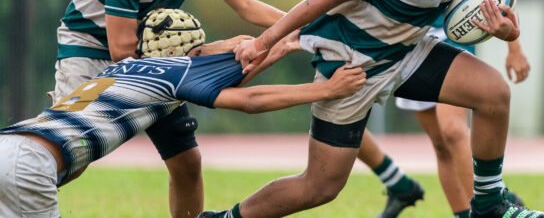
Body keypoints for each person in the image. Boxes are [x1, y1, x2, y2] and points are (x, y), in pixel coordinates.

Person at [205, 0, 544, 217]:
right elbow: (319, 0)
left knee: (493, 92)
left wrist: (507, 34)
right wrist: (263, 43)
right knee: (320, 187)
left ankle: (489, 202)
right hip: (352, 62)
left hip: (409, 51)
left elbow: (481, 13)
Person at [0, 34, 366, 218]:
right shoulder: (174, 75)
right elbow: (250, 101)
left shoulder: (123, 69)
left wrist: (279, 46)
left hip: (11, 143)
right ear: (191, 53)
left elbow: (226, 73)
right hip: (31, 165)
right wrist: (325, 89)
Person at [292, 0, 530, 217]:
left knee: (454, 130)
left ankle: (488, 201)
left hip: (449, 34)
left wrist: (514, 45)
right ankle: (449, 205)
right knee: (441, 144)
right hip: (406, 32)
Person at [52, 0, 285, 217]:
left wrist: (307, 30)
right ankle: (15, 185)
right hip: (89, 49)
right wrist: (207, 51)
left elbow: (246, 6)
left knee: (186, 162)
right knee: (70, 156)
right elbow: (122, 51)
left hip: (156, 55)